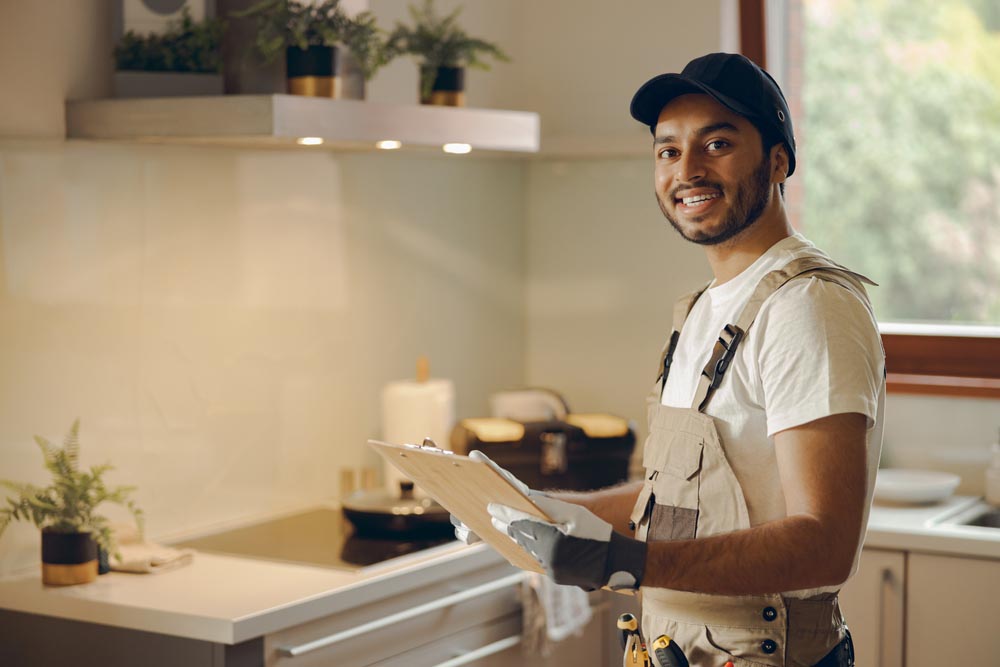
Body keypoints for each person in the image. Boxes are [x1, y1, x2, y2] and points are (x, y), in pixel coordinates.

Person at [459, 53, 885, 667]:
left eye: (717, 143)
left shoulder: (807, 305)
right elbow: (669, 501)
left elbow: (824, 544)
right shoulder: (705, 311)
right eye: (667, 150)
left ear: (778, 161)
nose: (688, 170)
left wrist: (623, 562)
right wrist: (535, 505)